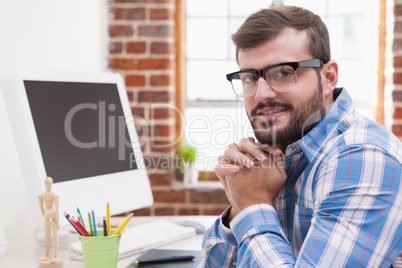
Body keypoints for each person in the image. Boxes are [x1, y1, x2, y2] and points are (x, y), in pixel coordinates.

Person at [200, 6, 402, 268]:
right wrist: (241, 205)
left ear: (328, 77)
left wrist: (252, 206)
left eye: (284, 72)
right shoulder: (282, 153)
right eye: (250, 77)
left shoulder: (364, 156)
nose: (261, 94)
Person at [38, 177, 62, 267]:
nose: (48, 185)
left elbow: (57, 209)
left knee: (55, 236)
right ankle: (47, 255)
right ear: (44, 184)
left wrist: (57, 220)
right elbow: (41, 206)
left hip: (53, 216)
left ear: (52, 184)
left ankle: (55, 256)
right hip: (47, 217)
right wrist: (44, 214)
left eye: (49, 183)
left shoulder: (54, 195)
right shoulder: (43, 195)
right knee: (46, 236)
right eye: (46, 183)